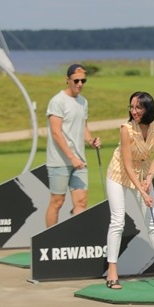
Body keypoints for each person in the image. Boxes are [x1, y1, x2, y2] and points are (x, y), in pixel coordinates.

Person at [104, 91, 154, 289]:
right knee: (117, 221)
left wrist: (149, 178)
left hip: (143, 172)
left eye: (138, 107)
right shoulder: (126, 129)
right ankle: (112, 271)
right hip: (119, 173)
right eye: (131, 107)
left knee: (153, 221)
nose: (134, 111)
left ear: (148, 108)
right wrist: (142, 192)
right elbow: (126, 165)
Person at [45, 63, 101, 227]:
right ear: (67, 80)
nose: (80, 84)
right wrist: (71, 157)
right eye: (76, 81)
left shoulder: (83, 102)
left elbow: (83, 127)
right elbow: (56, 133)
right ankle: (50, 241)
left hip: (79, 161)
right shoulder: (57, 101)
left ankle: (77, 240)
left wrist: (91, 140)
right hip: (59, 161)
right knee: (57, 201)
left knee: (81, 202)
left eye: (83, 81)